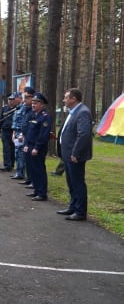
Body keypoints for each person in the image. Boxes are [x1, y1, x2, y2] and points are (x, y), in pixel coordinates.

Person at [56, 88, 93, 221]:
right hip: (68, 154)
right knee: (71, 182)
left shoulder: (83, 112)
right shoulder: (74, 112)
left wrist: (75, 153)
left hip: (74, 155)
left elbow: (83, 135)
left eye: (66, 98)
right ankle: (73, 206)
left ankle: (80, 211)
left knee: (77, 183)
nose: (63, 100)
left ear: (73, 99)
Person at [23, 92, 51, 201]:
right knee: (32, 169)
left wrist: (36, 147)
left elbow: (43, 135)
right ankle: (36, 190)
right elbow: (29, 131)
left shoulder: (45, 116)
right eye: (33, 103)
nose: (33, 105)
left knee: (39, 170)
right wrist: (26, 144)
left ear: (42, 104)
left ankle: (42, 193)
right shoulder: (33, 115)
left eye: (36, 103)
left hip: (38, 147)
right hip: (29, 145)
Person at [11, 87, 34, 180]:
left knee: (21, 154)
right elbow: (16, 120)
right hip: (16, 132)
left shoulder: (28, 107)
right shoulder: (21, 106)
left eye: (25, 94)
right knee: (17, 153)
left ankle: (22, 173)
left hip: (22, 133)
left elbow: (25, 122)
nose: (23, 96)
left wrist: (21, 133)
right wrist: (13, 133)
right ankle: (19, 172)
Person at [0, 92, 20, 171]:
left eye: (12, 99)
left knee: (12, 148)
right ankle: (7, 165)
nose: (10, 101)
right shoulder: (4, 108)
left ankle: (12, 164)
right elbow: (0, 119)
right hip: (5, 131)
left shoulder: (17, 109)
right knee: (5, 148)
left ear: (14, 100)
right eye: (9, 99)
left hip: (13, 131)